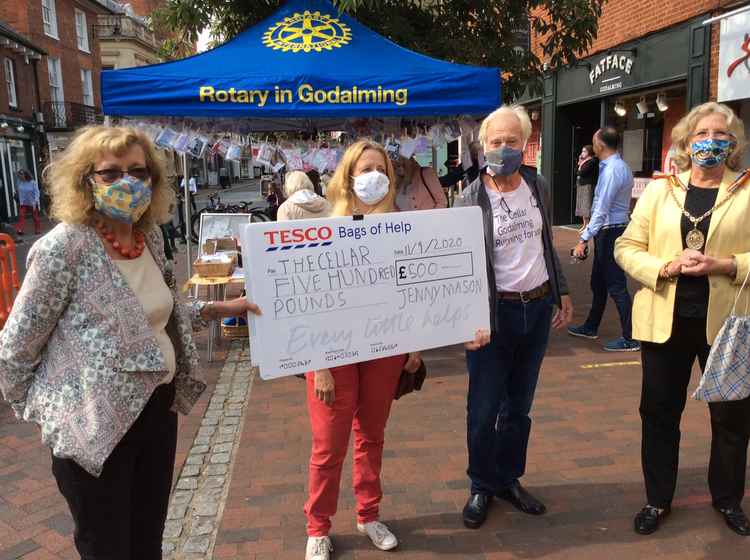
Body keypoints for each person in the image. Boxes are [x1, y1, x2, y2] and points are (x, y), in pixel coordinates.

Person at [0, 125, 260, 560]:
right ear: (85, 179)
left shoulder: (150, 238)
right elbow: (15, 350)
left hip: (156, 412)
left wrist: (218, 308)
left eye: (139, 172)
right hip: (95, 430)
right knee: (108, 549)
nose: (128, 183)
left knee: (146, 542)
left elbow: (157, 316)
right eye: (111, 173)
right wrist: (53, 414)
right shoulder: (64, 248)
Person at [303, 139, 488, 560]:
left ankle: (368, 515)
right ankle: (318, 527)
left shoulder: (402, 225)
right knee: (328, 445)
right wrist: (320, 365)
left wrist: (415, 344)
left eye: (382, 169)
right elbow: (309, 303)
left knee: (372, 436)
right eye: (366, 168)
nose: (375, 176)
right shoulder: (325, 228)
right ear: (348, 176)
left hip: (385, 349)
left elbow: (413, 290)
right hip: (333, 353)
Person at [614, 102, 750, 537]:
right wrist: (664, 268)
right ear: (686, 143)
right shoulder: (660, 191)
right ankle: (657, 499)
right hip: (663, 319)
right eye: (701, 134)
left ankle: (727, 499)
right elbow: (626, 246)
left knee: (732, 415)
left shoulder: (746, 190)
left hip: (727, 323)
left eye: (721, 134)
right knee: (658, 412)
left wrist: (726, 264)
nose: (711, 141)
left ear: (732, 144)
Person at [454, 105, 573, 530]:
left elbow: (544, 243)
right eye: (495, 142)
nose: (504, 148)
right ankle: (481, 485)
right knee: (484, 409)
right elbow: (461, 267)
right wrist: (464, 320)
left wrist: (562, 291)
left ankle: (509, 478)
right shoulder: (471, 198)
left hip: (537, 308)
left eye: (512, 141)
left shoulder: (537, 185)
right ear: (482, 146)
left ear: (525, 144)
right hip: (494, 315)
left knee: (519, 407)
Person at [569, 127, 639, 352]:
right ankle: (591, 326)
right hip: (609, 230)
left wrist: (584, 238)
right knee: (598, 283)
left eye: (593, 142)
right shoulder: (618, 166)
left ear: (600, 145)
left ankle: (631, 337)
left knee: (616, 285)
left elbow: (601, 209)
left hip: (610, 232)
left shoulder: (612, 171)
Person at [575, 145, 598, 232]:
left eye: (584, 151)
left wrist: (580, 164)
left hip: (588, 185)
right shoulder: (584, 162)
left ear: (589, 152)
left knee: (587, 205)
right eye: (582, 151)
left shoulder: (592, 161)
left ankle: (588, 225)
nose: (582, 153)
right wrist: (580, 162)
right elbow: (577, 172)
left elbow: (581, 172)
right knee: (582, 205)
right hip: (581, 184)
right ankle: (584, 225)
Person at [14, 169, 42, 236]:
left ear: (25, 175)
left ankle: (37, 230)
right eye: (19, 175)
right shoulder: (19, 182)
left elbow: (37, 192)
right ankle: (20, 229)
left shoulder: (32, 182)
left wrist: (35, 200)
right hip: (23, 203)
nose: (20, 177)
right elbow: (17, 190)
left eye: (21, 175)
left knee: (35, 217)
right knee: (21, 215)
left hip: (32, 203)